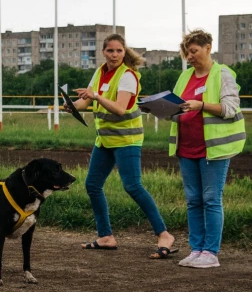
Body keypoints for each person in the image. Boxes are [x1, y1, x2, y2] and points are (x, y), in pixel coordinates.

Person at [64, 33, 176, 259]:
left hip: (127, 139)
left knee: (133, 186)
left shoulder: (128, 76)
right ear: (103, 52)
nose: (114, 55)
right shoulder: (100, 72)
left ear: (124, 53)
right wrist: (73, 105)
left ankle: (164, 235)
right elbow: (87, 99)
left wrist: (95, 96)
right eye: (110, 51)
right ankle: (105, 236)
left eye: (119, 51)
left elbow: (120, 108)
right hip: (105, 140)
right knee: (93, 185)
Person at [169, 29, 246, 268]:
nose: (190, 57)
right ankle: (196, 249)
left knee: (211, 199)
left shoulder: (222, 74)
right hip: (187, 147)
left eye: (193, 51)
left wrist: (201, 105)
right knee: (193, 200)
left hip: (213, 148)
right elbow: (178, 105)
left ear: (208, 47)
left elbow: (230, 107)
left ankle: (211, 252)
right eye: (186, 53)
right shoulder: (184, 77)